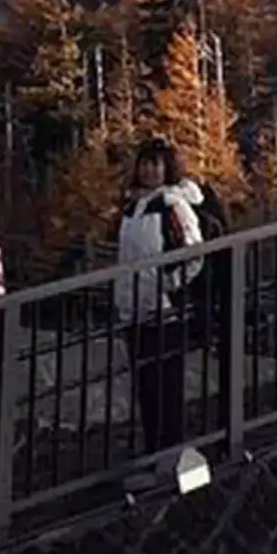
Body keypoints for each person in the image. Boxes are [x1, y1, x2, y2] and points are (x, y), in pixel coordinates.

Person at [113, 138, 206, 455]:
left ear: (167, 169)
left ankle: (172, 454)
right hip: (135, 311)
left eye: (156, 164)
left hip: (164, 311)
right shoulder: (131, 207)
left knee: (167, 387)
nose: (149, 170)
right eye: (145, 163)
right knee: (147, 389)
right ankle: (154, 453)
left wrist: (169, 285)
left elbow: (194, 252)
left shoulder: (172, 205)